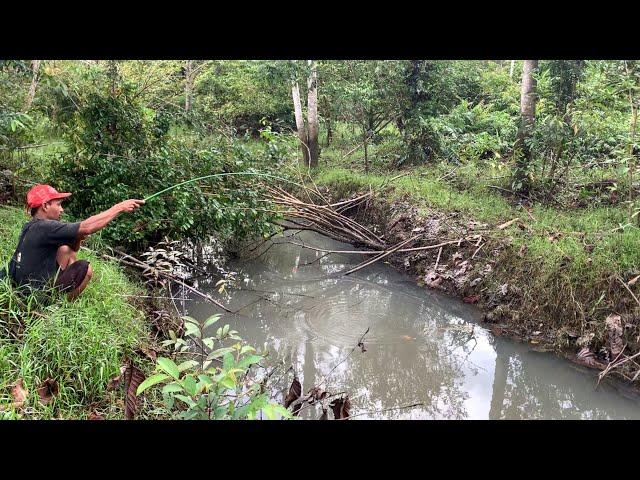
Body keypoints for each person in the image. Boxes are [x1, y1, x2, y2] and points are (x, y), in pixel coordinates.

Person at [7, 184, 144, 300]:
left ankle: (57, 294)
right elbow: (87, 227)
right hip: (35, 295)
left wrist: (77, 237)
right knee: (87, 268)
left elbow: (73, 248)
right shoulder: (45, 227)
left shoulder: (31, 226)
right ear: (45, 206)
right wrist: (119, 207)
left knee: (66, 250)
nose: (62, 209)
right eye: (59, 205)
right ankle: (59, 304)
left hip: (24, 287)